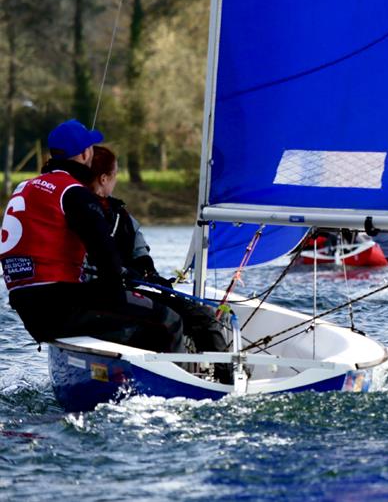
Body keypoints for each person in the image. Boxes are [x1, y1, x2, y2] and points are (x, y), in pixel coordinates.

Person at [0, 120, 182, 353]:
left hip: (26, 308)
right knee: (168, 320)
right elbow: (108, 262)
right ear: (86, 153)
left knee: (133, 316)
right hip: (60, 306)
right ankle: (185, 387)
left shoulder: (25, 187)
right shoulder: (74, 193)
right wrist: (131, 287)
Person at [88, 145, 232, 383]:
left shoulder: (121, 217)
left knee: (203, 315)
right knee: (168, 320)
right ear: (104, 178)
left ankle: (225, 383)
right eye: (115, 176)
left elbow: (141, 255)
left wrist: (148, 273)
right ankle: (180, 380)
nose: (115, 181)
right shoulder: (77, 211)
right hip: (100, 295)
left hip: (133, 289)